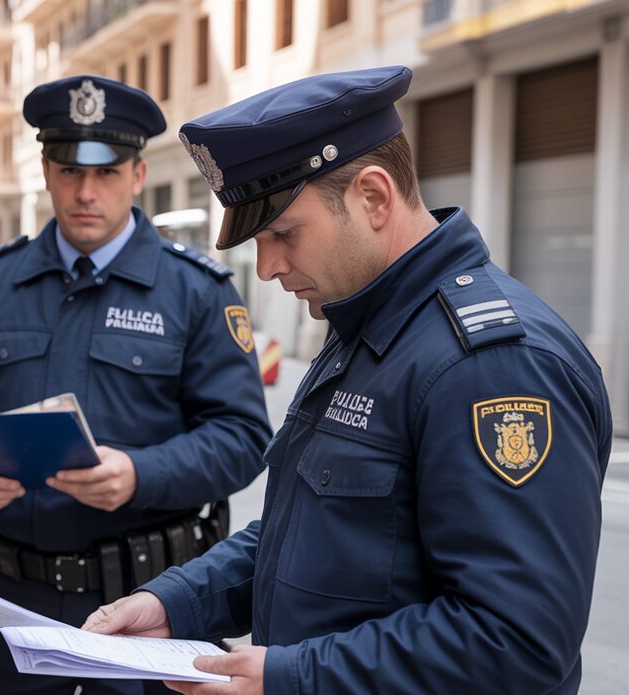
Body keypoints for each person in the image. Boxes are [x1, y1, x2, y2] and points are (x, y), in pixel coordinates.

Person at [83, 66, 612, 695]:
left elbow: (516, 641)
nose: (270, 265)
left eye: (282, 233)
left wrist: (291, 676)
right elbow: (308, 534)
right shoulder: (369, 321)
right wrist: (178, 602)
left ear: (374, 197)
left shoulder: (489, 363)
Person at [0, 75, 273, 694]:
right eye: (68, 170)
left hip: (150, 604)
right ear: (46, 171)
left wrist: (143, 474)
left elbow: (243, 438)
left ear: (138, 175)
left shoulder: (196, 290)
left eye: (107, 173)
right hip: (15, 605)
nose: (86, 192)